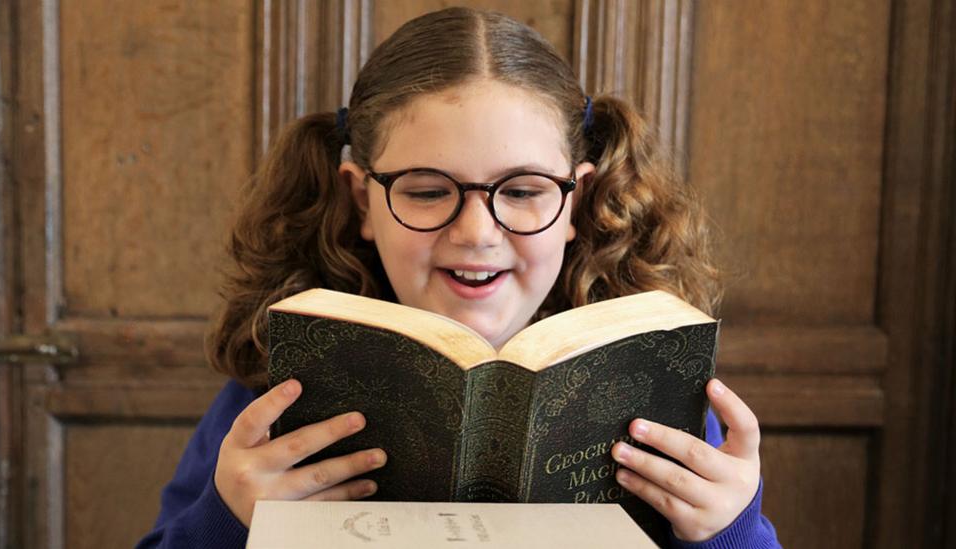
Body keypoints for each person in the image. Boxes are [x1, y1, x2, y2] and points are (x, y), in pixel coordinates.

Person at [137, 7, 780, 548]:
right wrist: (225, 522)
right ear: (362, 200)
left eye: (525, 190)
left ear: (576, 204)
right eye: (425, 191)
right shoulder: (270, 390)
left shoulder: (659, 388)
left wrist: (730, 529)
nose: (476, 233)